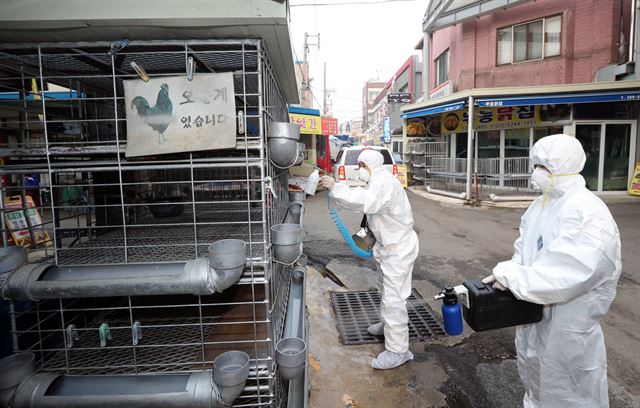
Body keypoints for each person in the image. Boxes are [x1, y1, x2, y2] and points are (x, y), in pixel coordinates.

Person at [483, 134, 621, 407]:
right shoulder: (542, 204)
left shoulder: (586, 212)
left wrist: (512, 276)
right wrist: (513, 273)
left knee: (568, 391)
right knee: (536, 382)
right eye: (536, 164)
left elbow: (570, 273)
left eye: (544, 166)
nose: (536, 172)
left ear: (565, 167)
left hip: (567, 326)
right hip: (535, 315)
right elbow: (524, 248)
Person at [319, 149, 419, 370]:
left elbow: (366, 201)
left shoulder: (384, 183)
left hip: (398, 250)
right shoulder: (379, 180)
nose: (360, 171)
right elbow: (364, 199)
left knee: (394, 300)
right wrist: (339, 190)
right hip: (388, 248)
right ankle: (388, 326)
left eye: (361, 166)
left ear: (367, 166)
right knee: (385, 291)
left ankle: (398, 350)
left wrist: (337, 188)